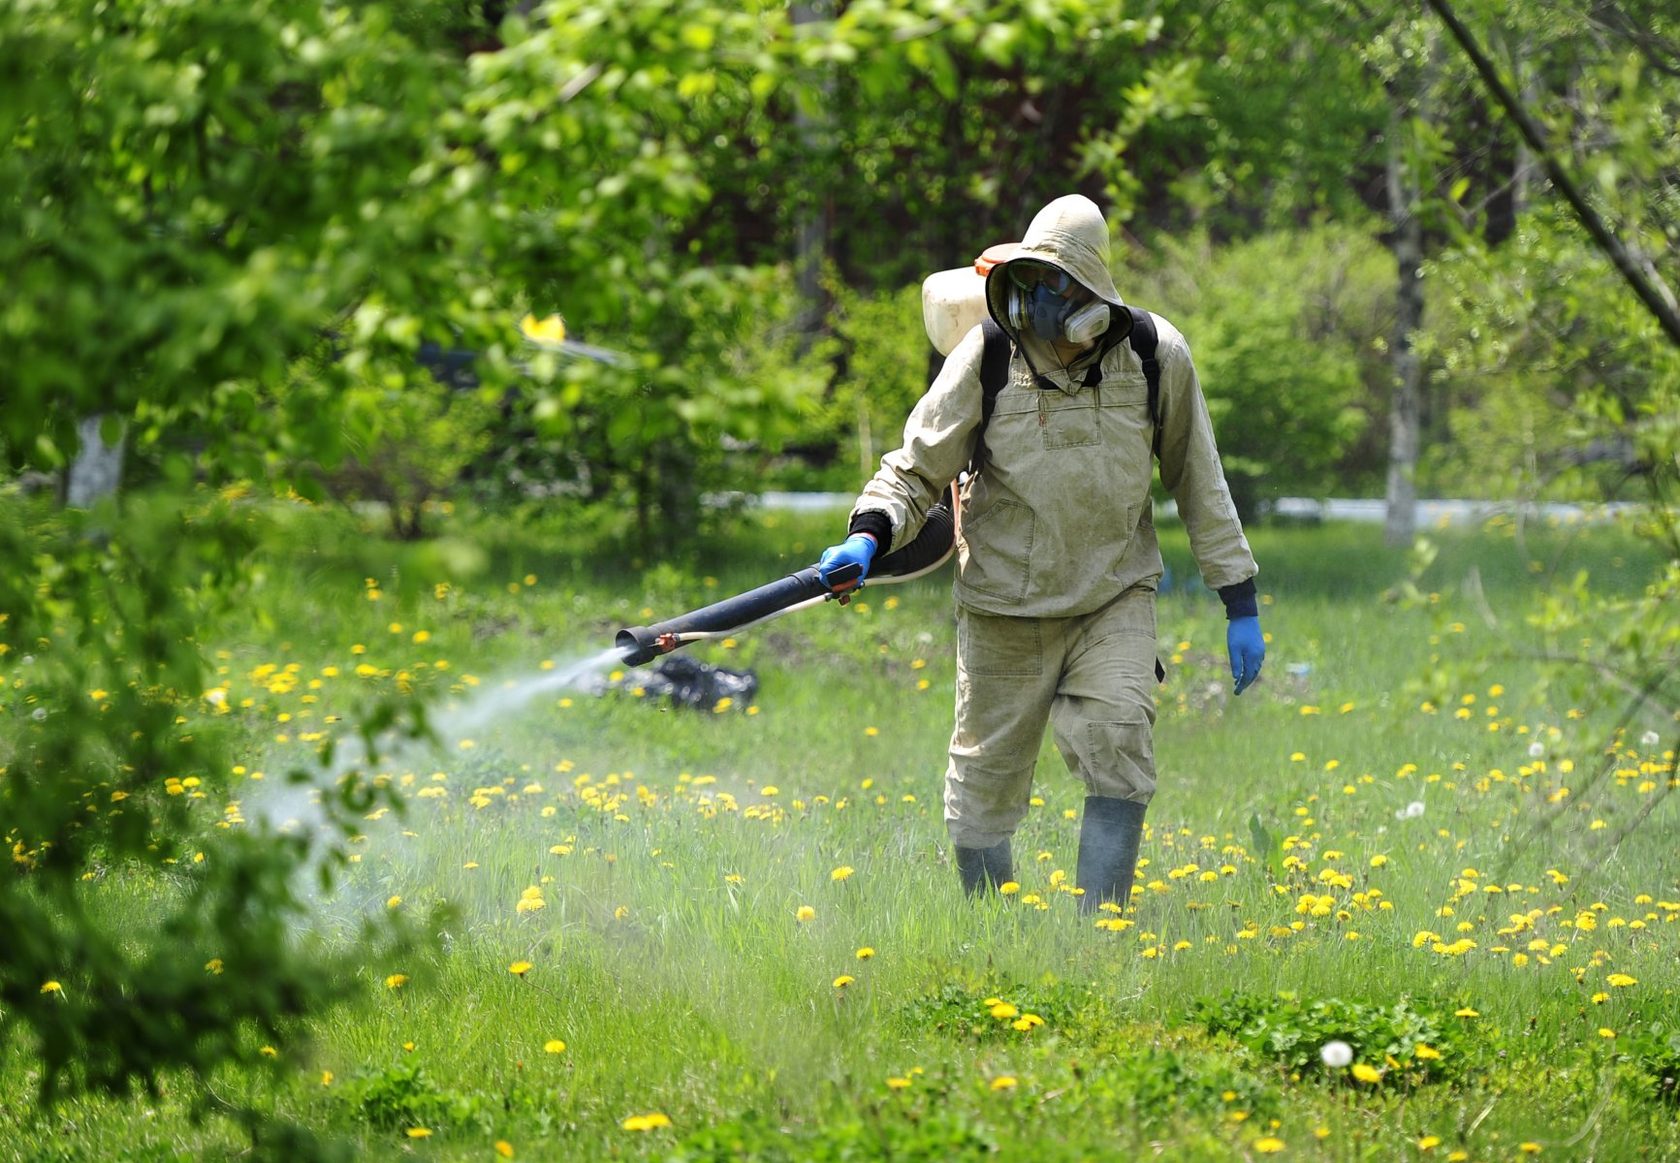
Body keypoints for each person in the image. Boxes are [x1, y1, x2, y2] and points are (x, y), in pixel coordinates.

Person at [817, 194, 1265, 914]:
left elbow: (1198, 479)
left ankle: (1101, 926)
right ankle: (993, 929)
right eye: (1032, 280)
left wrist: (1237, 596)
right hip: (1003, 604)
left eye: (1058, 283)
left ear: (1092, 290)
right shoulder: (989, 353)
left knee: (1119, 743)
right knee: (982, 789)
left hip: (1112, 595)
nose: (1041, 299)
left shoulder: (1155, 354)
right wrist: (868, 534)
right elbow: (916, 466)